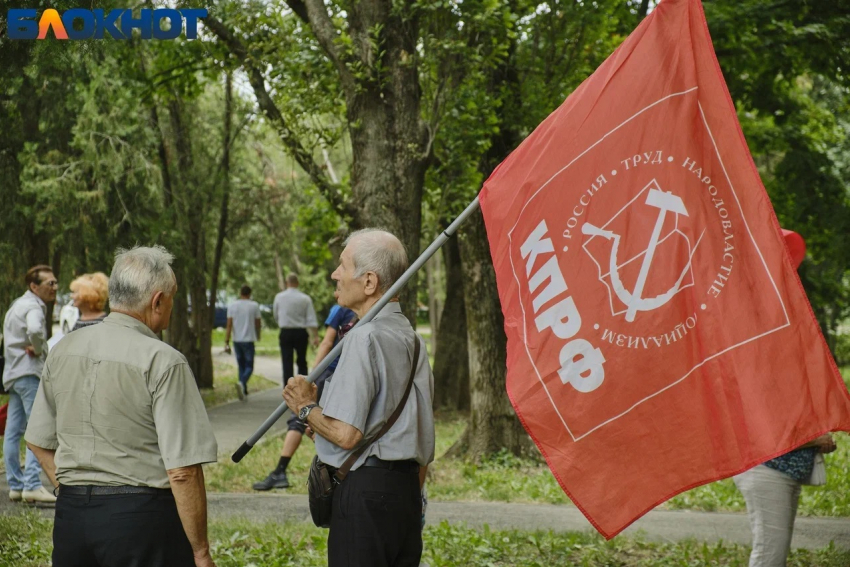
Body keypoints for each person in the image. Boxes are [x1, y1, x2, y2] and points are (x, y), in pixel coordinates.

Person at [25, 245, 218, 567]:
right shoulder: (163, 360)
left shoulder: (63, 350)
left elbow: (36, 439)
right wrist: (201, 552)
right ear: (157, 301)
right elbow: (183, 471)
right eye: (173, 298)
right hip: (141, 520)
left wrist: (71, 489)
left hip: (73, 518)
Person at [283, 229, 434, 567]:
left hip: (366, 493)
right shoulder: (412, 338)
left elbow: (347, 435)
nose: (335, 274)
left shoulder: (363, 337)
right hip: (406, 492)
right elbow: (415, 433)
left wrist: (304, 407)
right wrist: (322, 422)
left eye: (342, 265)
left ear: (369, 282)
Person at [253, 304, 356, 490]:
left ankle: (280, 472)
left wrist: (311, 377)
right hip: (346, 375)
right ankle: (339, 466)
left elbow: (327, 342)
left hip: (329, 372)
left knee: (299, 416)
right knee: (320, 423)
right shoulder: (364, 309)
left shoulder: (340, 309)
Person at [3, 264, 58, 504]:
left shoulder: (17, 305)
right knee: (37, 428)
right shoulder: (34, 307)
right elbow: (36, 329)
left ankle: (15, 485)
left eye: (56, 283)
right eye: (50, 283)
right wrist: (39, 349)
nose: (54, 287)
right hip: (28, 373)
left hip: (13, 374)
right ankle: (33, 484)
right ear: (34, 287)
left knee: (13, 431)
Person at [273, 273, 319, 385]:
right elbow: (311, 319)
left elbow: (276, 315)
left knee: (286, 361)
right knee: (302, 361)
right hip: (300, 332)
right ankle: (302, 386)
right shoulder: (305, 298)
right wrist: (315, 336)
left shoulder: (279, 297)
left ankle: (288, 389)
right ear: (297, 283)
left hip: (285, 332)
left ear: (286, 283)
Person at [224, 285, 262, 400]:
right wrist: (258, 335)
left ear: (240, 293)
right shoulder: (254, 306)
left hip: (237, 340)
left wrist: (226, 341)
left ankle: (243, 390)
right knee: (249, 366)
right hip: (249, 339)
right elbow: (258, 323)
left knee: (241, 366)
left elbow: (229, 324)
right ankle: (242, 383)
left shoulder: (232, 306)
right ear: (250, 294)